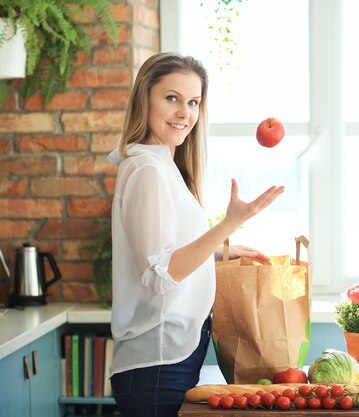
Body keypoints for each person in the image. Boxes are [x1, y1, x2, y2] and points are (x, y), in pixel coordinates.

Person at [106, 52, 284, 417]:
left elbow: (165, 253)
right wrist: (229, 223)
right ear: (145, 98)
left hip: (169, 360)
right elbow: (161, 274)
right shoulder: (147, 171)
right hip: (156, 367)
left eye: (193, 102)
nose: (184, 112)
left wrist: (221, 252)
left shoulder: (163, 167)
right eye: (171, 98)